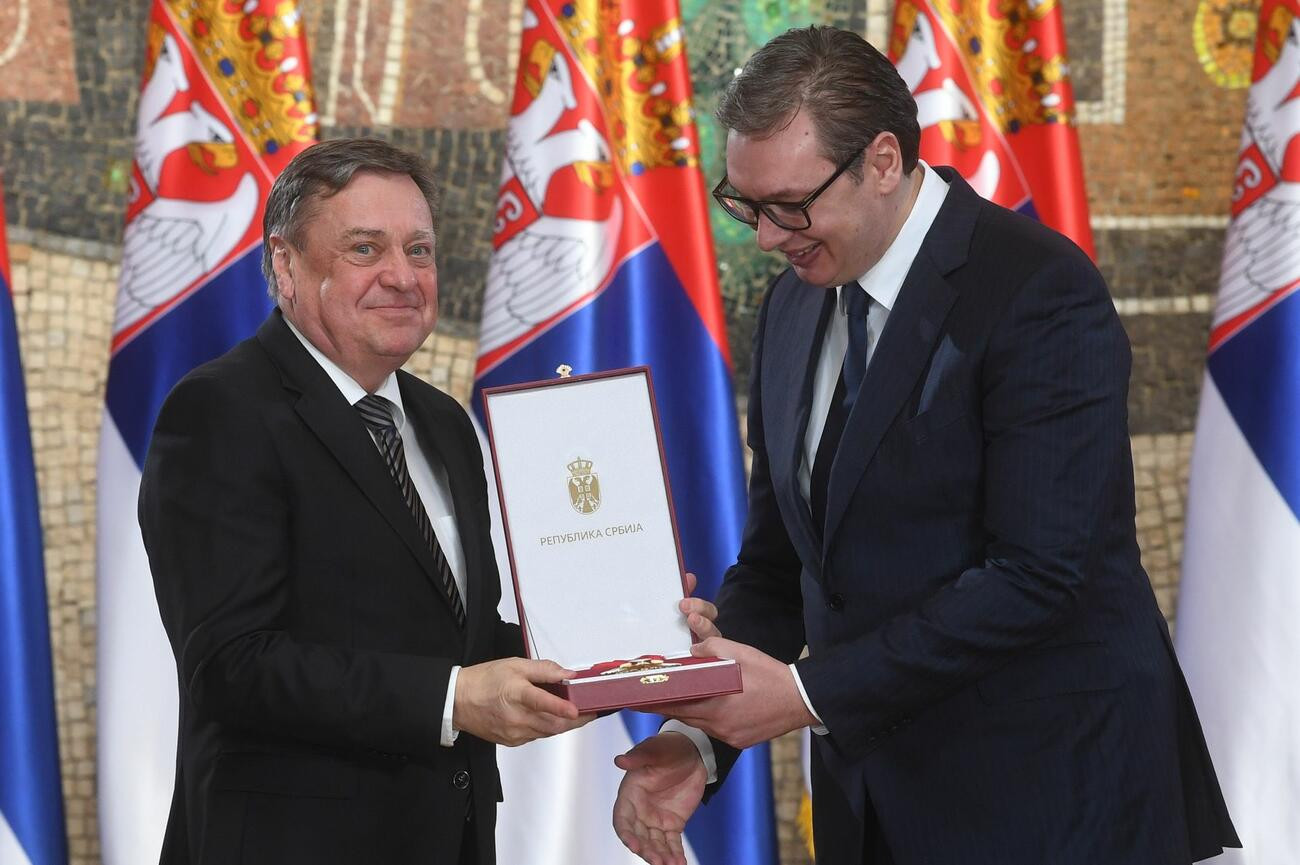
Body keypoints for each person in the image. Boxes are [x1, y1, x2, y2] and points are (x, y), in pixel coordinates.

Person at [612, 26, 1240, 865]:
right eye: (745, 204)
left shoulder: (1037, 287)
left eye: (790, 205)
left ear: (881, 161)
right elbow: (779, 567)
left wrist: (802, 693)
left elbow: (1038, 574)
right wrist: (699, 737)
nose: (766, 237)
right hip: (870, 810)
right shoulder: (792, 306)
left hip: (1049, 803)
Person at [139, 138, 593, 865]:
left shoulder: (445, 423)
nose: (403, 276)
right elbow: (232, 666)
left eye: (419, 250)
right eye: (364, 248)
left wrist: (612, 640)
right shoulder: (222, 410)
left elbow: (457, 644)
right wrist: (452, 699)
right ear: (286, 265)